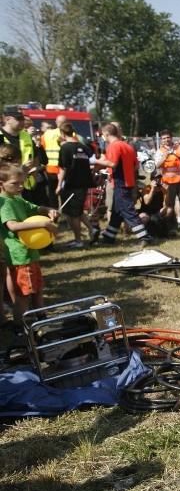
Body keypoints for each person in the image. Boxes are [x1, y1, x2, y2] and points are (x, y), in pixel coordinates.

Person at [0, 154, 59, 336]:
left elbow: (34, 208)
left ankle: (41, 317)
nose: (20, 187)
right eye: (15, 183)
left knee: (38, 288)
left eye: (22, 183)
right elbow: (13, 226)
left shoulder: (17, 199)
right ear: (1, 184)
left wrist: (48, 209)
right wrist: (43, 224)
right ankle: (20, 326)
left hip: (30, 253)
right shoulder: (4, 204)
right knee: (23, 295)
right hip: (19, 255)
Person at [93, 123, 154, 245]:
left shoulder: (113, 146)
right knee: (117, 211)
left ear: (106, 133)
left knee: (128, 211)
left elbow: (113, 163)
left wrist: (95, 161)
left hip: (120, 182)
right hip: (129, 181)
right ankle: (109, 237)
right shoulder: (127, 146)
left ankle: (145, 237)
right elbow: (136, 165)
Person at [56, 122, 98, 248]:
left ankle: (78, 240)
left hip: (72, 183)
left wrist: (58, 185)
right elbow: (94, 160)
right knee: (78, 209)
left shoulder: (65, 148)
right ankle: (92, 229)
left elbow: (63, 168)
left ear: (62, 134)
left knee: (73, 213)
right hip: (84, 183)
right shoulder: (84, 147)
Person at [0, 106, 45, 207]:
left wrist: (35, 171)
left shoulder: (25, 135)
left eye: (23, 119)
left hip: (27, 184)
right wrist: (21, 170)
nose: (22, 122)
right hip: (7, 185)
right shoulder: (0, 136)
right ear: (7, 119)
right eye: (18, 119)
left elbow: (36, 156)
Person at [155, 130, 180, 233]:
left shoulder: (178, 148)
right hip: (168, 182)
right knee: (170, 205)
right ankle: (172, 227)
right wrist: (164, 157)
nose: (166, 140)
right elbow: (157, 165)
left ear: (171, 137)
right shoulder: (160, 151)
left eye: (168, 137)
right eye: (164, 138)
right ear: (161, 140)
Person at [41, 115, 67, 209]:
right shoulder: (68, 133)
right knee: (64, 192)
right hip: (63, 168)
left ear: (56, 122)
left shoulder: (46, 135)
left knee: (52, 193)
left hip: (50, 167)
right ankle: (65, 213)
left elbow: (42, 149)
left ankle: (54, 213)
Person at [136, 173, 172, 238]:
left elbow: (165, 205)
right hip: (146, 211)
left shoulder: (163, 188)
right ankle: (143, 235)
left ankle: (164, 229)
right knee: (143, 217)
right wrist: (152, 189)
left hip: (158, 211)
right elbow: (147, 202)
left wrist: (166, 193)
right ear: (151, 179)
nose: (157, 180)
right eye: (155, 178)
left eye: (159, 178)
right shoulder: (147, 188)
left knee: (169, 210)